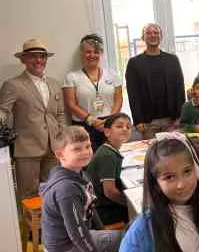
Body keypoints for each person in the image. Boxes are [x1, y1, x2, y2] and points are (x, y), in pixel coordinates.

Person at [119, 132, 199, 252]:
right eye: (169, 177)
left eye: (187, 171)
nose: (181, 184)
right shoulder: (143, 229)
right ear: (155, 182)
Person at [0, 38, 64, 198]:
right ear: (23, 59)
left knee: (52, 191)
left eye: (42, 56)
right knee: (28, 195)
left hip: (53, 147)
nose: (38, 60)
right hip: (27, 149)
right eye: (32, 56)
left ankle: (51, 223)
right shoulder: (12, 85)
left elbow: (60, 114)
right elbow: (3, 110)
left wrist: (62, 137)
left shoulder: (55, 84)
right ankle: (32, 224)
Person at [40, 126, 122, 252]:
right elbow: (77, 234)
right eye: (77, 149)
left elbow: (90, 208)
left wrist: (103, 231)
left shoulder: (80, 173)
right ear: (60, 154)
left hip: (82, 235)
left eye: (88, 146)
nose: (85, 152)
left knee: (130, 235)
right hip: (66, 247)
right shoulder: (67, 190)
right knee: (128, 239)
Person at [125, 23, 186, 139]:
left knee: (173, 153)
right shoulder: (134, 63)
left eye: (156, 32)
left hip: (172, 120)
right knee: (152, 155)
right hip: (148, 123)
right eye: (148, 33)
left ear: (161, 36)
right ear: (143, 37)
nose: (152, 35)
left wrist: (180, 117)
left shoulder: (173, 60)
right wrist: (138, 120)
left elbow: (180, 89)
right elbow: (133, 94)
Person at [63, 34, 123, 150]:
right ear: (82, 54)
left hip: (109, 124)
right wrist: (92, 120)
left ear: (100, 54)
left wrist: (110, 120)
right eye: (88, 52)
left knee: (111, 158)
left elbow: (119, 99)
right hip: (84, 125)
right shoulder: (72, 77)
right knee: (88, 162)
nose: (92, 55)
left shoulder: (112, 74)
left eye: (96, 52)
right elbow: (71, 104)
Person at [86, 113, 132, 225]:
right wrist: (129, 203)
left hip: (102, 204)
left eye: (128, 127)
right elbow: (110, 192)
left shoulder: (109, 149)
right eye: (119, 126)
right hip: (103, 211)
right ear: (107, 132)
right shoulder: (107, 155)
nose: (125, 129)